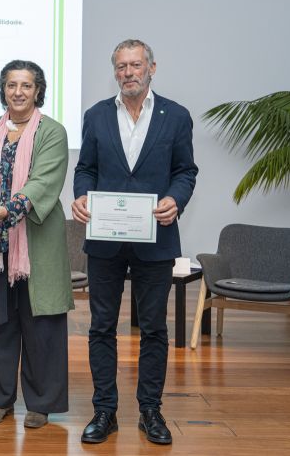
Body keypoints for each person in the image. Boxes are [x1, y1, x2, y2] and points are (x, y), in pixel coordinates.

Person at [72, 39, 198, 445]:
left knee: (155, 329)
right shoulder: (96, 115)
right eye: (122, 66)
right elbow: (86, 169)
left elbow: (186, 171)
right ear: (115, 71)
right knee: (101, 327)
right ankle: (105, 411)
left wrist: (175, 200)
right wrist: (79, 195)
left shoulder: (176, 116)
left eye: (136, 65)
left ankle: (150, 411)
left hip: (155, 239)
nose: (129, 72)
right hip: (105, 241)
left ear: (152, 68)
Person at [0, 60, 73, 429]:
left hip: (36, 245)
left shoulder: (52, 131)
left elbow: (44, 181)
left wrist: (10, 207)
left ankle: (41, 403)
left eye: (26, 85)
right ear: (3, 89)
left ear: (38, 90)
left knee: (42, 325)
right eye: (11, 85)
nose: (18, 92)